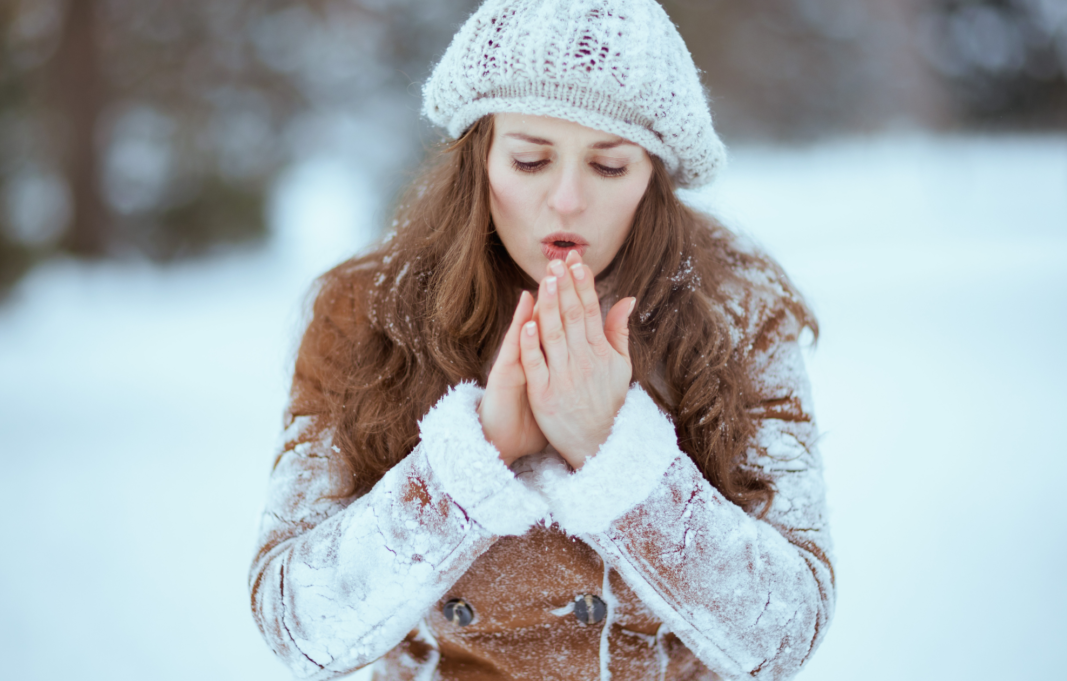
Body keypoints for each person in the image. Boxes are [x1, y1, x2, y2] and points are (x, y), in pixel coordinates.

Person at [249, 0, 834, 679]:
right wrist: (474, 459)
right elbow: (296, 622)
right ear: (481, 159)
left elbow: (787, 628)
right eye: (530, 160)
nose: (566, 199)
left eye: (608, 166)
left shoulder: (737, 311)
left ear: (654, 178)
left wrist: (617, 455)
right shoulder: (364, 312)